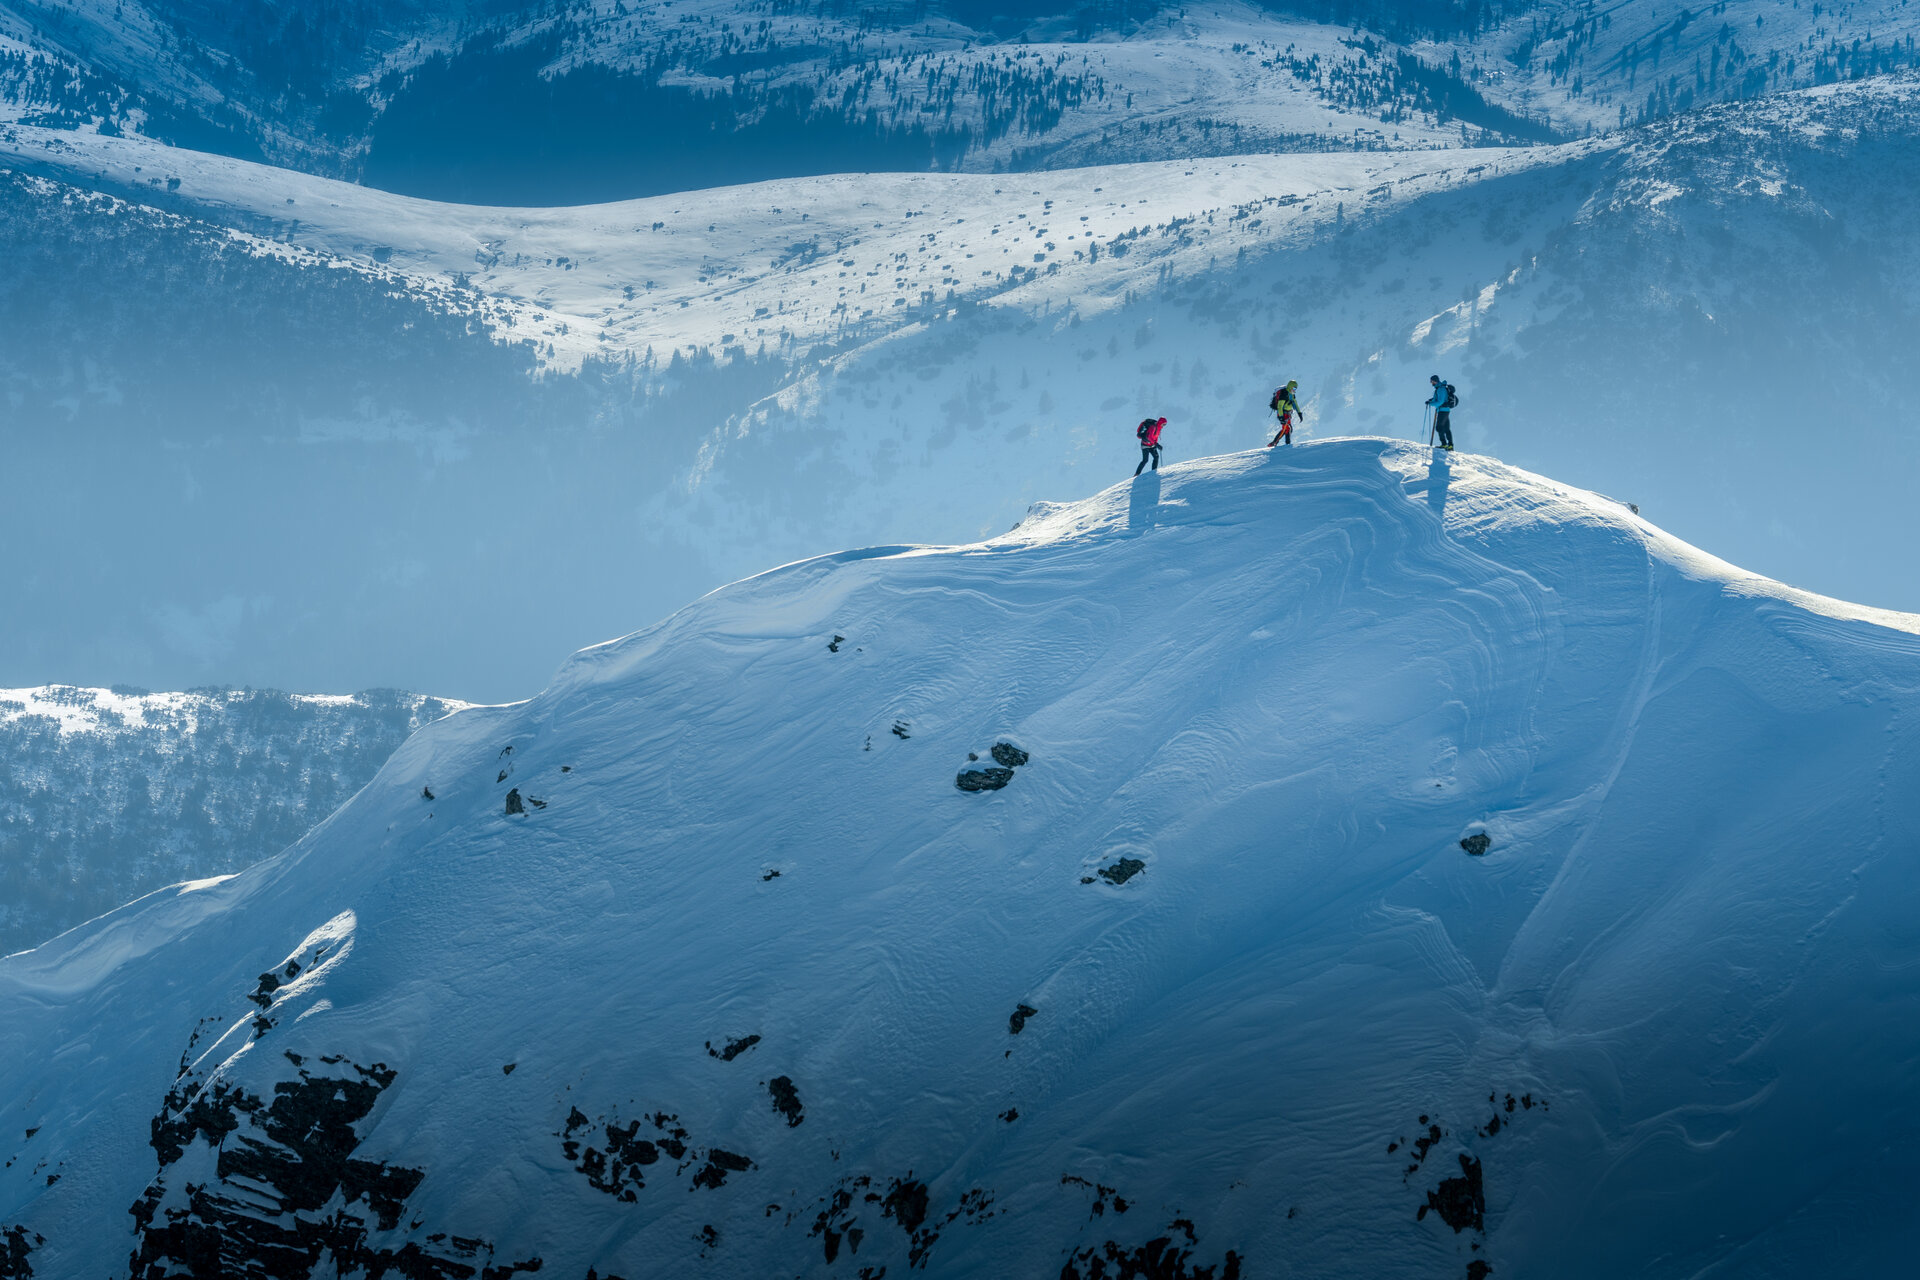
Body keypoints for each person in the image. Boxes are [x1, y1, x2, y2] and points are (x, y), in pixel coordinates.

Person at [1425, 374, 1455, 451]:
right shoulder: (1439, 388)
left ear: (1435, 381)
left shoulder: (1441, 389)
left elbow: (1440, 402)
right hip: (1445, 410)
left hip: (1442, 410)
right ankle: (1450, 445)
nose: (1431, 383)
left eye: (1432, 381)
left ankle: (1444, 444)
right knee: (1446, 428)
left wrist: (1430, 403)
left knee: (1439, 427)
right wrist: (1430, 400)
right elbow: (1438, 399)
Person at [1268, 380, 1303, 447]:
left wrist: (1299, 413)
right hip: (1283, 414)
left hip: (1288, 414)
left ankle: (1276, 443)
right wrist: (1281, 417)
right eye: (1294, 388)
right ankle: (1285, 444)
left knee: (1289, 429)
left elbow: (1295, 404)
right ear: (1290, 386)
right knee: (1287, 429)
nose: (1294, 390)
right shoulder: (1284, 394)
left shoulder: (1292, 395)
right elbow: (1280, 406)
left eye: (1295, 388)